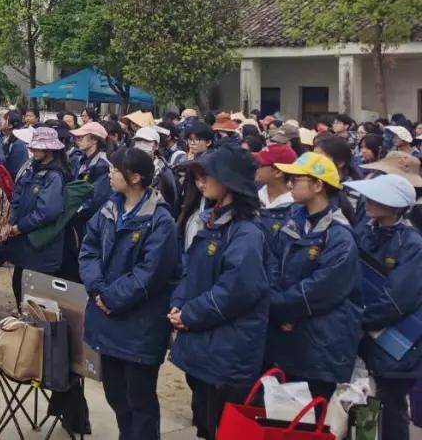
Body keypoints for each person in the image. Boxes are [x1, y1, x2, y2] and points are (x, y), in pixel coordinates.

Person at [168, 145, 269, 440]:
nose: (200, 183)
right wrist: (178, 305)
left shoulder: (246, 232)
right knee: (206, 421)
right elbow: (189, 270)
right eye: (197, 177)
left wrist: (190, 314)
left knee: (224, 426)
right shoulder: (208, 222)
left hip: (228, 347)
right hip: (202, 340)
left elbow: (238, 289)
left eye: (206, 176)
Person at [80, 147, 180, 440]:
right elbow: (89, 249)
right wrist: (97, 289)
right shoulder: (109, 208)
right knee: (115, 393)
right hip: (107, 316)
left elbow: (150, 273)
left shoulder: (160, 220)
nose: (110, 174)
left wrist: (111, 298)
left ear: (136, 177)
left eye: (116, 169)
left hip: (140, 324)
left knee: (140, 399)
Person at [264, 152, 362, 399]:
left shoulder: (339, 235)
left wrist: (281, 308)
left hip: (319, 343)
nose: (290, 183)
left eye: (297, 179)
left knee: (311, 419)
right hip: (285, 336)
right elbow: (271, 262)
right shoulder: (292, 220)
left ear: (318, 185)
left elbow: (323, 288)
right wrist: (276, 305)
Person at [343, 174, 422, 440]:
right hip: (361, 333)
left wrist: (360, 321)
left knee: (389, 406)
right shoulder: (364, 230)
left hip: (395, 342)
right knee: (362, 401)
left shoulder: (412, 244)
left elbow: (399, 299)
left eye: (379, 197)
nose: (370, 201)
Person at [1, 127, 69, 302]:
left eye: (38, 148)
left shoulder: (54, 176)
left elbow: (47, 212)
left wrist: (21, 227)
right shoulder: (32, 168)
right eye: (33, 147)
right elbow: (18, 195)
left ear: (49, 150)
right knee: (19, 285)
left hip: (40, 246)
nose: (33, 151)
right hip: (23, 244)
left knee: (35, 298)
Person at [253, 143, 297, 238]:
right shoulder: (253, 193)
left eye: (260, 164)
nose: (256, 167)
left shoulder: (295, 208)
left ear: (278, 172)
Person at [134, 126, 180, 216]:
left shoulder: (164, 172)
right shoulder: (129, 166)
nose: (141, 145)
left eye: (147, 142)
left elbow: (171, 202)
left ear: (156, 146)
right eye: (138, 141)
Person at [1, 110, 29, 180]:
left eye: (4, 119)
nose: (0, 121)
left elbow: (15, 172)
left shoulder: (18, 145)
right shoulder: (4, 138)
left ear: (10, 125)